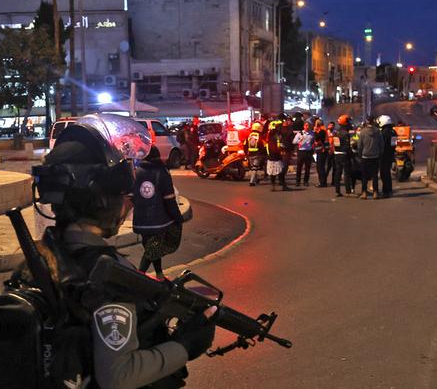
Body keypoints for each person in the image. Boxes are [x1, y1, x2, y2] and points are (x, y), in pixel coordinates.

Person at [19, 114, 214, 387]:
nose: (129, 207)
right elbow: (118, 376)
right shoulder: (109, 277)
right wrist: (185, 347)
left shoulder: (37, 261)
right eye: (125, 199)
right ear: (102, 200)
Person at [133, 146, 183, 279]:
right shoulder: (161, 172)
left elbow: (132, 196)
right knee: (152, 250)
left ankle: (159, 275)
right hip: (158, 221)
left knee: (153, 248)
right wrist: (177, 217)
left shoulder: (137, 172)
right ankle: (138, 277)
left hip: (141, 221)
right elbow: (169, 199)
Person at [357, 116, 384, 199]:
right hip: (375, 156)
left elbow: (360, 145)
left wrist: (360, 154)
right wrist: (380, 154)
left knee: (364, 176)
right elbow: (381, 144)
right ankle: (375, 193)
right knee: (375, 175)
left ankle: (364, 193)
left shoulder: (363, 132)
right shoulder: (378, 131)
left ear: (367, 121)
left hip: (365, 156)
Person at [331, 116, 353, 197]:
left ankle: (337, 191)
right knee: (347, 173)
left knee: (338, 173)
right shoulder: (346, 133)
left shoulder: (336, 132)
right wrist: (351, 154)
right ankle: (348, 191)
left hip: (337, 154)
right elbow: (348, 146)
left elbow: (335, 144)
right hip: (344, 154)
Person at [377, 115, 397, 198]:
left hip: (384, 155)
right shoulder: (393, 132)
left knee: (384, 173)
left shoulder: (384, 133)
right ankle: (389, 190)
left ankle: (386, 191)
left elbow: (382, 144)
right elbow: (393, 145)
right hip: (391, 154)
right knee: (387, 173)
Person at [292, 121, 315, 187]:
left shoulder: (312, 133)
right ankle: (298, 181)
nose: (307, 127)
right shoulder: (300, 133)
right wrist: (300, 140)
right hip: (301, 151)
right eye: (306, 125)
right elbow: (294, 142)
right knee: (299, 167)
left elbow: (313, 141)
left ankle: (306, 181)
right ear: (304, 126)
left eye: (308, 125)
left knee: (307, 168)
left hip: (308, 151)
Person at [244, 122, 266, 186]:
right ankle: (251, 182)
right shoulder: (260, 136)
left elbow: (245, 145)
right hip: (257, 154)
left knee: (253, 168)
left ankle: (255, 180)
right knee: (255, 168)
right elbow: (263, 145)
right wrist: (263, 153)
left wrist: (246, 153)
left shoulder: (249, 135)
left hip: (250, 154)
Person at [266, 120, 285, 191]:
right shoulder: (274, 136)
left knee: (273, 172)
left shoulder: (271, 135)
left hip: (271, 156)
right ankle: (282, 185)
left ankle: (275, 185)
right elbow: (276, 146)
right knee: (279, 171)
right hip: (275, 156)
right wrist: (281, 149)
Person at [278, 114, 294, 191]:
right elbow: (291, 139)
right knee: (284, 165)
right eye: (287, 120)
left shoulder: (280, 128)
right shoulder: (285, 129)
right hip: (284, 149)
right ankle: (281, 180)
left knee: (283, 165)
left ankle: (281, 180)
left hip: (284, 148)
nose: (288, 122)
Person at [313, 120, 329, 187]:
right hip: (319, 150)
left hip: (322, 150)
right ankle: (322, 181)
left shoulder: (322, 131)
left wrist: (315, 131)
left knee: (320, 167)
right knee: (320, 166)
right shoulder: (322, 130)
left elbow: (317, 138)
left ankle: (322, 182)